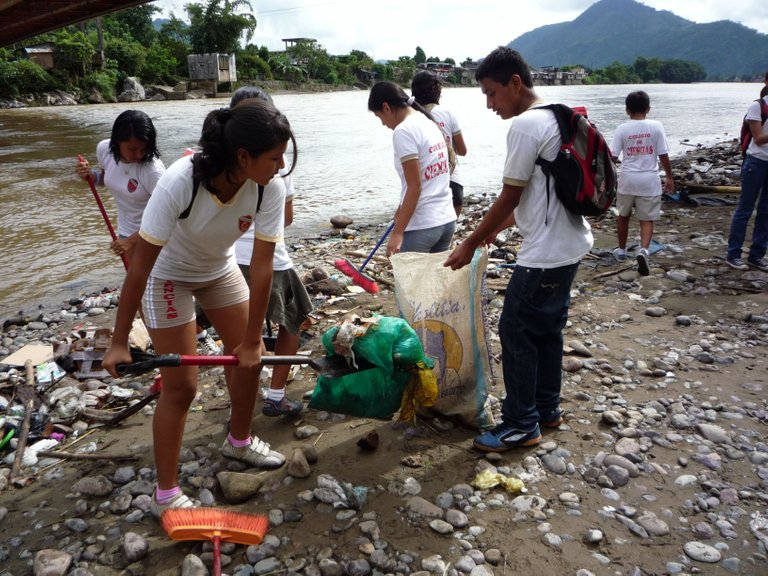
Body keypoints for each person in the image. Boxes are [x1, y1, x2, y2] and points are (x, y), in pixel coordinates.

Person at [101, 99, 297, 517]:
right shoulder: (180, 181)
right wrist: (119, 341)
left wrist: (250, 342)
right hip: (168, 275)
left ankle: (239, 441)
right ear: (243, 157)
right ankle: (167, 493)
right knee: (183, 386)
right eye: (275, 158)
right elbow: (140, 267)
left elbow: (261, 269)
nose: (281, 166)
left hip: (219, 269)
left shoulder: (268, 188)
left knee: (250, 360)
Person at [444, 47, 593, 452]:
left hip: (545, 255)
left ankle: (521, 424)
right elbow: (539, 195)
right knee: (546, 329)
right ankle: (547, 408)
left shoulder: (526, 126)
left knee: (516, 330)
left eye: (492, 93)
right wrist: (497, 229)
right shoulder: (557, 113)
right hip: (571, 243)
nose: (490, 104)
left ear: (515, 83)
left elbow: (510, 196)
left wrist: (469, 244)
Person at [75, 111, 221, 355]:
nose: (138, 154)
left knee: (162, 293)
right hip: (128, 232)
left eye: (144, 148)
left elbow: (174, 214)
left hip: (157, 235)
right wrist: (92, 176)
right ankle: (161, 342)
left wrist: (132, 241)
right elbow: (108, 178)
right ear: (116, 142)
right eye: (132, 148)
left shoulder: (153, 171)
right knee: (140, 294)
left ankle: (199, 337)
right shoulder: (104, 150)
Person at [230, 86, 313, 417]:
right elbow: (285, 220)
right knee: (293, 321)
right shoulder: (276, 170)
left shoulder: (214, 165)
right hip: (267, 260)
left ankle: (239, 408)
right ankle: (275, 395)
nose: (279, 163)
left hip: (227, 262)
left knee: (234, 335)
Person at [368, 81, 456, 256]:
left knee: (410, 283)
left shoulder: (403, 131)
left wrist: (398, 232)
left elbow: (415, 186)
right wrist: (401, 210)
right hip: (446, 220)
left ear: (386, 107)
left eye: (379, 117)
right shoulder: (427, 121)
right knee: (433, 282)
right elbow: (430, 175)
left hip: (423, 225)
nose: (383, 124)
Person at [608, 90, 674, 276]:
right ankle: (643, 250)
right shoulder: (656, 126)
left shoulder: (622, 129)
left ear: (627, 110)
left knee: (623, 216)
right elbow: (663, 154)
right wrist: (669, 176)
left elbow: (612, 156)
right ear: (648, 109)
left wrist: (605, 179)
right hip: (649, 180)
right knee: (646, 220)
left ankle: (621, 251)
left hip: (627, 179)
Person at [411, 70, 468, 216]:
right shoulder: (447, 114)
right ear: (437, 90)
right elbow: (462, 150)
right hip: (453, 186)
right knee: (446, 234)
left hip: (425, 188)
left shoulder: (409, 118)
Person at [726, 84, 768, 271]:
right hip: (756, 162)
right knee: (745, 210)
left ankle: (757, 255)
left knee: (766, 212)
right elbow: (758, 138)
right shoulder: (757, 107)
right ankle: (733, 255)